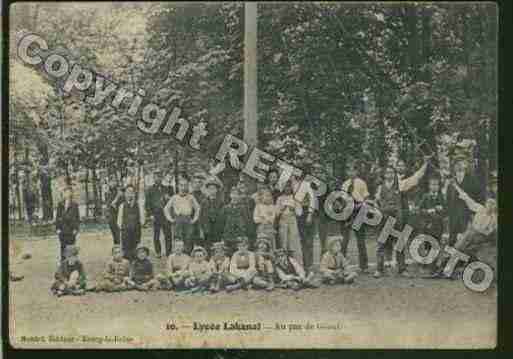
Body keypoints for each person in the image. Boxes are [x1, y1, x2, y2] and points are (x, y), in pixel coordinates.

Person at [428, 172, 497, 279]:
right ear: (486, 203)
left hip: (479, 238)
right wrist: (455, 185)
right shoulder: (479, 208)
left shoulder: (494, 218)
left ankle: (453, 272)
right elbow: (466, 197)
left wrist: (480, 234)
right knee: (456, 250)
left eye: (493, 204)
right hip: (470, 234)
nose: (490, 205)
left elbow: (490, 231)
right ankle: (442, 271)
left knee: (466, 254)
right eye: (489, 203)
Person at [373, 158, 429, 278]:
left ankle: (402, 269)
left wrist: (425, 164)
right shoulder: (379, 187)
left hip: (397, 219)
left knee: (400, 244)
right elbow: (376, 202)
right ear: (384, 174)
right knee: (381, 244)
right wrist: (378, 212)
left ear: (394, 174)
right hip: (384, 219)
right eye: (387, 172)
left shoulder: (401, 185)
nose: (389, 175)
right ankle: (379, 269)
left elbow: (416, 177)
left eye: (392, 173)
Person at [339, 162, 370, 274]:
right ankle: (341, 264)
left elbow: (366, 198)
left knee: (360, 240)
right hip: (347, 212)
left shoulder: (361, 183)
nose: (351, 172)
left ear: (357, 171)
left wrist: (361, 205)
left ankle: (364, 266)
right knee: (344, 240)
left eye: (353, 170)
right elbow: (342, 199)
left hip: (359, 212)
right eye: (349, 170)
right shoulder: (345, 184)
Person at [446, 156, 483, 246]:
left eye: (462, 163)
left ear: (465, 166)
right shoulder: (451, 183)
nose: (459, 165)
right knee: (453, 239)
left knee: (466, 241)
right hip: (454, 215)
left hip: (467, 214)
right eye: (456, 163)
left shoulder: (472, 180)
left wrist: (474, 214)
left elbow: (479, 197)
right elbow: (448, 201)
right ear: (453, 167)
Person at [164, 176, 201, 253]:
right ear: (178, 186)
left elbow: (198, 208)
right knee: (178, 239)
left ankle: (188, 256)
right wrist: (170, 219)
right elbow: (166, 209)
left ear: (187, 186)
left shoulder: (191, 197)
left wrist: (194, 219)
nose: (183, 187)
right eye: (181, 185)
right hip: (178, 220)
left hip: (188, 220)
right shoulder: (174, 197)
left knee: (189, 239)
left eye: (185, 185)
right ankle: (178, 257)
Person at [417, 176, 446, 264]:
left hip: (438, 225)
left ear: (439, 186)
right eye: (432, 184)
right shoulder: (425, 196)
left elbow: (446, 210)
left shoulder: (441, 197)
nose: (434, 186)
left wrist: (441, 209)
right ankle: (427, 261)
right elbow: (419, 209)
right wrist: (427, 211)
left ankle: (435, 261)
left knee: (436, 242)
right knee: (428, 243)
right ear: (429, 186)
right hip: (427, 224)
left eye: (436, 185)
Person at [145, 170, 173, 258]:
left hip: (166, 215)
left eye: (160, 176)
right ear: (154, 178)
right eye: (156, 176)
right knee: (156, 235)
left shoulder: (168, 188)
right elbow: (147, 204)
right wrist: (150, 215)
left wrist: (168, 198)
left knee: (168, 234)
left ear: (162, 178)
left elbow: (173, 202)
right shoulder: (150, 190)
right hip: (156, 215)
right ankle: (158, 252)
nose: (158, 178)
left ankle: (168, 252)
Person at [276, 182, 304, 267]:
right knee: (283, 242)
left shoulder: (295, 198)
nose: (287, 189)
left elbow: (300, 212)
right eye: (285, 187)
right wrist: (281, 209)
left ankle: (297, 264)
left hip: (292, 220)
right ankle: (284, 264)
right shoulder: (280, 198)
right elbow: (276, 213)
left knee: (293, 243)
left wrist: (294, 209)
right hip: (283, 220)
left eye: (289, 187)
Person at [117, 185, 145, 261]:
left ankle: (136, 265)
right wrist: (125, 228)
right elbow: (119, 221)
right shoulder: (122, 206)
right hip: (126, 232)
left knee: (136, 249)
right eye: (128, 192)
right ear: (125, 194)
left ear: (134, 194)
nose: (130, 194)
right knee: (126, 250)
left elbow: (142, 220)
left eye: (131, 192)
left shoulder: (139, 205)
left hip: (136, 231)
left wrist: (137, 226)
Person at [55, 186, 80, 262]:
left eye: (69, 192)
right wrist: (57, 229)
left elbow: (77, 218)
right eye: (65, 192)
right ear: (63, 194)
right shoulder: (60, 204)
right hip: (62, 230)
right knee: (63, 248)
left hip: (71, 230)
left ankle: (72, 265)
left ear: (71, 193)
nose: (67, 194)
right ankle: (63, 265)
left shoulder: (74, 205)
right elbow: (57, 217)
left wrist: (76, 229)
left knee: (71, 248)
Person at [199, 178, 226, 247]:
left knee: (217, 246)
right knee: (207, 246)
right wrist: (201, 230)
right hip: (207, 229)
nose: (212, 191)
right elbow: (201, 217)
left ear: (217, 190)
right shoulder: (204, 202)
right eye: (210, 189)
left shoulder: (221, 202)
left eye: (213, 188)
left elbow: (223, 217)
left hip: (217, 229)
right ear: (207, 190)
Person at [105, 176, 124, 245]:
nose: (113, 183)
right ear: (109, 183)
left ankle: (120, 248)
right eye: (112, 181)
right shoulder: (107, 192)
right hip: (111, 216)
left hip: (118, 215)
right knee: (114, 234)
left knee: (118, 233)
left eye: (115, 181)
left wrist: (119, 195)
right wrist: (117, 197)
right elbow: (111, 204)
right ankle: (116, 248)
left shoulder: (119, 192)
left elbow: (121, 203)